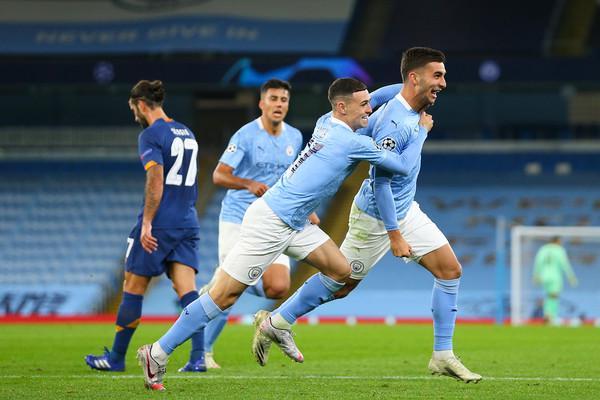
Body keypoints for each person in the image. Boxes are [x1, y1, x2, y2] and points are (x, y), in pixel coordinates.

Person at [136, 77, 423, 391]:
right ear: (342, 107)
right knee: (223, 296)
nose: (370, 108)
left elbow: (377, 96)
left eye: (369, 103)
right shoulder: (351, 142)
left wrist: (411, 87)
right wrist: (421, 129)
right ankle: (157, 353)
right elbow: (401, 166)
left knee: (341, 270)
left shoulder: (326, 121)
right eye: (363, 105)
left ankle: (277, 323)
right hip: (270, 221)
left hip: (296, 221)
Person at [253, 47, 482, 383]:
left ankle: (442, 355)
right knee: (341, 284)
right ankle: (277, 322)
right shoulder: (395, 125)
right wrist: (394, 234)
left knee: (450, 270)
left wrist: (408, 93)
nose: (443, 83)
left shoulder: (400, 103)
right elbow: (381, 183)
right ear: (415, 78)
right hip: (376, 217)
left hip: (406, 208)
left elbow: (388, 93)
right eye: (437, 76)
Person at [85, 80, 206, 373]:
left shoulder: (151, 135)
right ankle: (198, 357)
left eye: (133, 109)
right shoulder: (187, 132)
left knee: (133, 287)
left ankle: (116, 358)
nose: (134, 115)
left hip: (161, 222)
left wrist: (148, 222)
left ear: (141, 104)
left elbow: (155, 179)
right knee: (188, 291)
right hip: (187, 221)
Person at [201, 79, 312, 369]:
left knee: (278, 287)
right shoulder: (246, 135)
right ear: (262, 103)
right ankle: (204, 353)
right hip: (238, 217)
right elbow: (219, 175)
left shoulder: (294, 137)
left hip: (272, 219)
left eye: (283, 100)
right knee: (228, 292)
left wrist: (307, 209)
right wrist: (248, 183)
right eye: (273, 99)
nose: (279, 104)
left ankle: (222, 282)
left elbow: (295, 179)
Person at [533, 236, 578, 324]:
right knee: (554, 296)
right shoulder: (559, 250)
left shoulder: (543, 249)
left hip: (544, 276)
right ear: (557, 241)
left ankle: (547, 314)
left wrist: (536, 275)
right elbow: (565, 264)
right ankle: (552, 316)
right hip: (555, 276)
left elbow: (538, 262)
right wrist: (571, 276)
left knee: (548, 296)